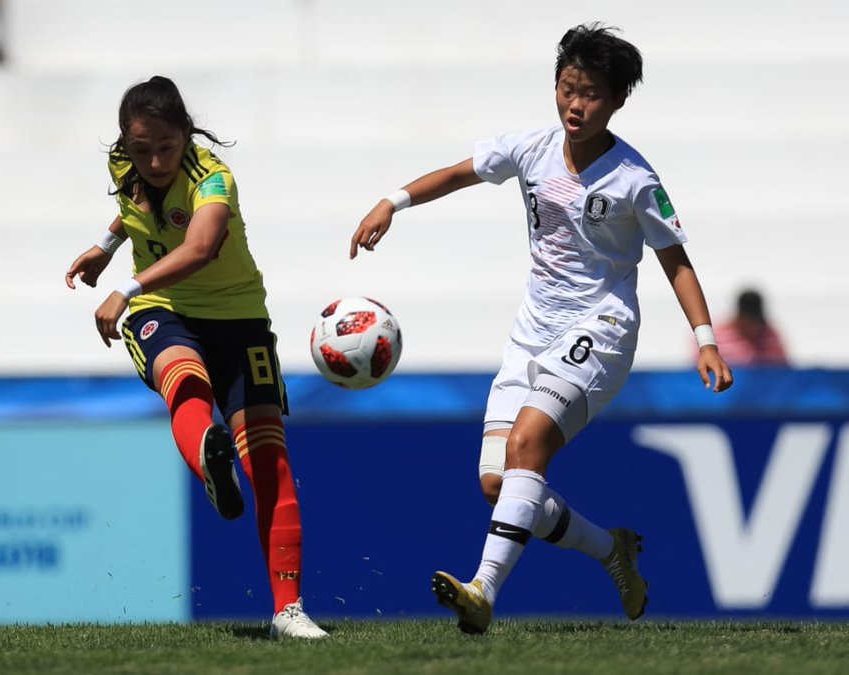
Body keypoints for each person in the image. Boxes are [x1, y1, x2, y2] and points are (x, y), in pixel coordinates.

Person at [349, 23, 734, 634]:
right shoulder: (529, 148)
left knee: (527, 448)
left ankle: (482, 591)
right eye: (568, 88)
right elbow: (457, 173)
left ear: (617, 101)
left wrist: (706, 339)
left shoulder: (635, 179)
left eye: (592, 95)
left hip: (600, 330)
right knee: (498, 483)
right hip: (532, 332)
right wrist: (390, 202)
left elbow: (674, 259)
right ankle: (613, 550)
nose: (576, 105)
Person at [65, 76, 327, 639]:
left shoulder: (213, 178)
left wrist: (125, 286)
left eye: (165, 145)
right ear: (125, 144)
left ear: (186, 132)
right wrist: (106, 246)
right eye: (141, 149)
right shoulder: (123, 162)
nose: (154, 159)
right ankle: (208, 454)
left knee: (268, 463)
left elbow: (201, 247)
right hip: (164, 309)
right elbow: (135, 203)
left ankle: (288, 611)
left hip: (239, 318)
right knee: (184, 381)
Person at [710, 288, 789, 366]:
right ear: (740, 316)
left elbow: (782, 367)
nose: (752, 327)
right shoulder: (718, 335)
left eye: (755, 322)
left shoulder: (769, 335)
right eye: (747, 322)